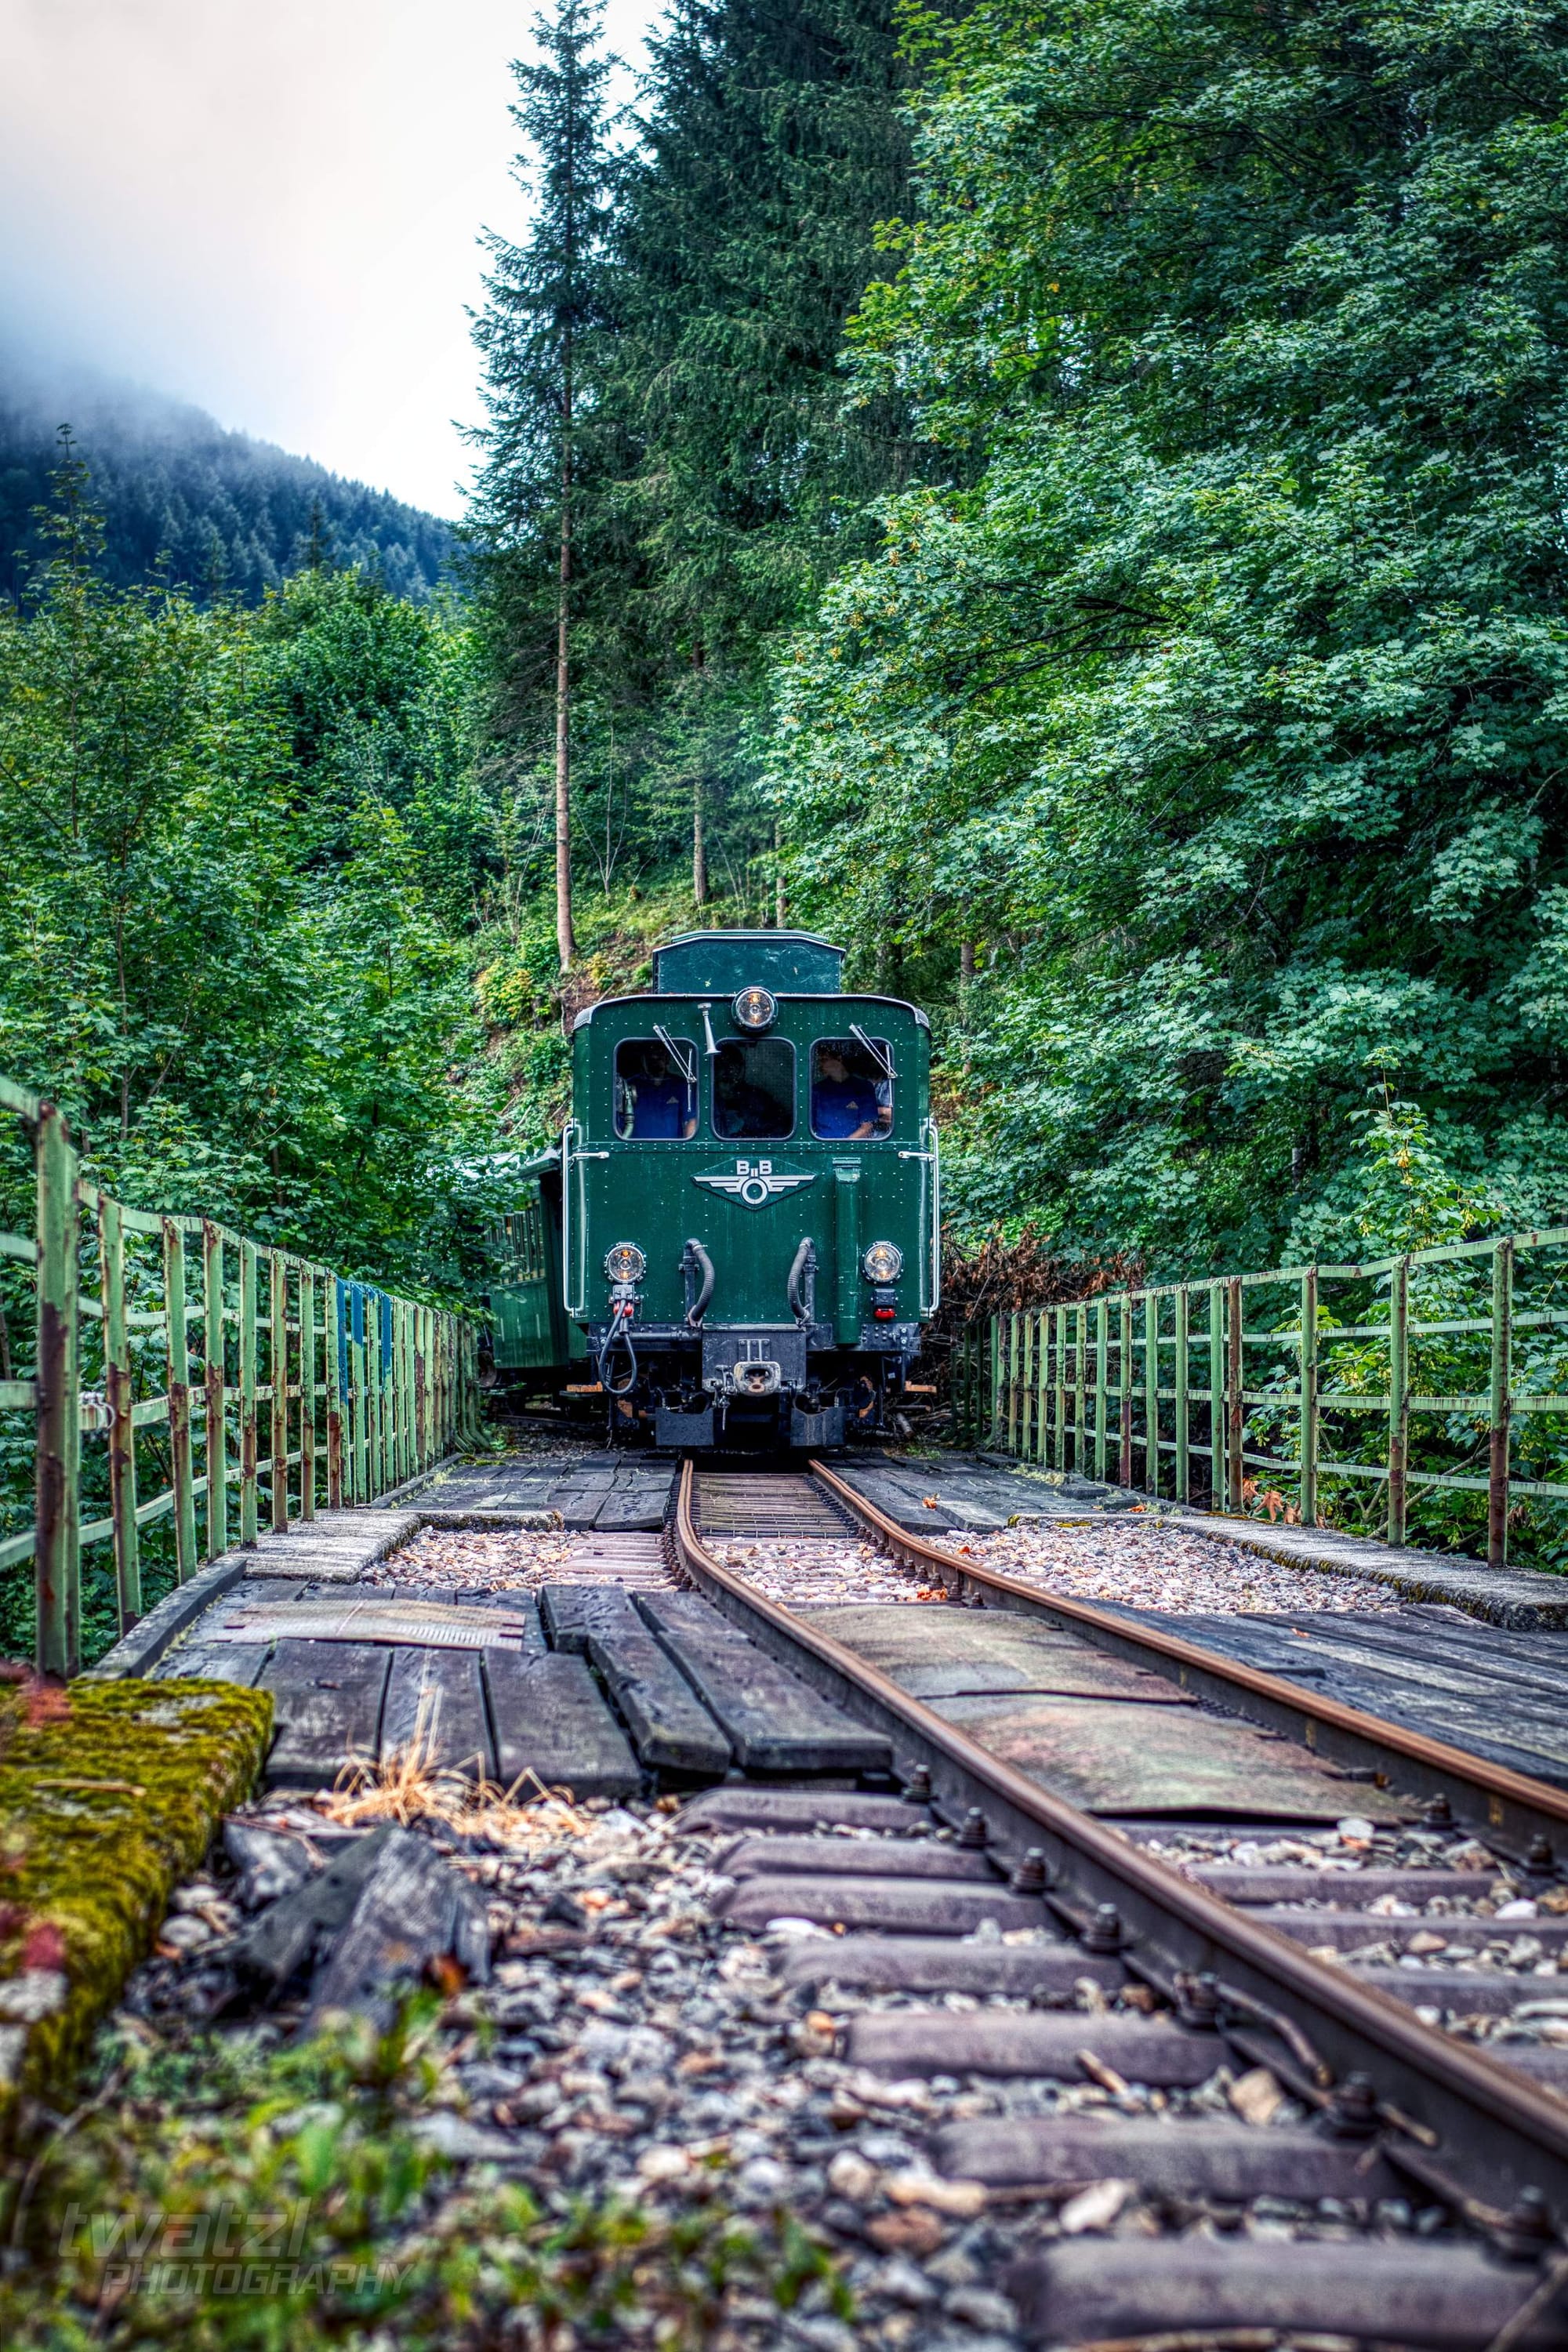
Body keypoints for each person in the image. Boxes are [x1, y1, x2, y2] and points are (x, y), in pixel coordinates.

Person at [619, 1044, 696, 1138]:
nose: (654, 1057)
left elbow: (691, 1120)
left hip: (672, 1149)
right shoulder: (628, 1085)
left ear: (667, 1059)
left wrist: (686, 1150)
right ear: (643, 1059)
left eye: (659, 1056)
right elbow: (618, 1123)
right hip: (636, 1149)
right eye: (650, 1056)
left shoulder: (681, 1085)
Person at [812, 1046, 885, 1140]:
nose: (820, 1064)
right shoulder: (817, 1089)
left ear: (839, 1059)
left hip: (853, 1149)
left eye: (824, 1060)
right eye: (819, 1061)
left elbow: (867, 1127)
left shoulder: (863, 1087)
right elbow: (809, 1126)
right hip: (821, 1148)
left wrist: (842, 1147)